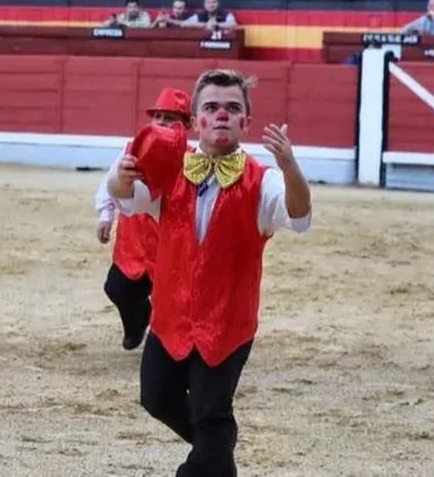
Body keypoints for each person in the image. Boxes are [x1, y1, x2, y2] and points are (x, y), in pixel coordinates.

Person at [107, 69, 312, 476]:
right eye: (212, 107)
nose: (222, 114)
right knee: (157, 398)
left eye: (232, 108)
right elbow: (127, 199)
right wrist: (121, 178)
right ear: (196, 120)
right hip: (169, 317)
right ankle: (218, 457)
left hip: (228, 322)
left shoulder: (264, 180)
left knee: (210, 410)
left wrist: (289, 165)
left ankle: (206, 462)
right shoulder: (171, 168)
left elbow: (300, 214)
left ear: (245, 122)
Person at [94, 88, 192, 351]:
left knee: (175, 301)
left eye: (170, 117)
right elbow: (111, 180)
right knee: (117, 287)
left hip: (172, 244)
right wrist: (106, 214)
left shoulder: (195, 159)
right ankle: (136, 325)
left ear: (187, 126)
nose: (161, 122)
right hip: (135, 242)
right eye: (157, 116)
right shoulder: (134, 148)